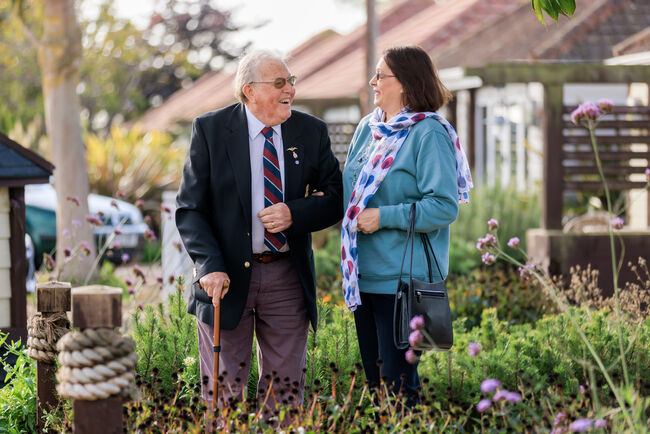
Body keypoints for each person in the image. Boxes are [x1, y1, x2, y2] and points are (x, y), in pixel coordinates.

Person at [175, 50, 343, 414]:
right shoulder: (211, 130)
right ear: (249, 90)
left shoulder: (310, 131)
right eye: (280, 83)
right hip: (225, 277)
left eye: (291, 81)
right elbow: (190, 209)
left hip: (286, 276)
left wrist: (293, 213)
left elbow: (335, 197)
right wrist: (209, 266)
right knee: (223, 396)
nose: (290, 90)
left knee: (284, 396)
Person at [340, 46, 472, 402]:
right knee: (375, 387)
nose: (373, 82)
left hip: (400, 284)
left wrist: (383, 217)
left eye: (381, 75)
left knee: (398, 389)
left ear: (407, 83)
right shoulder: (368, 129)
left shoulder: (428, 133)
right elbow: (347, 193)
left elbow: (443, 207)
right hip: (361, 278)